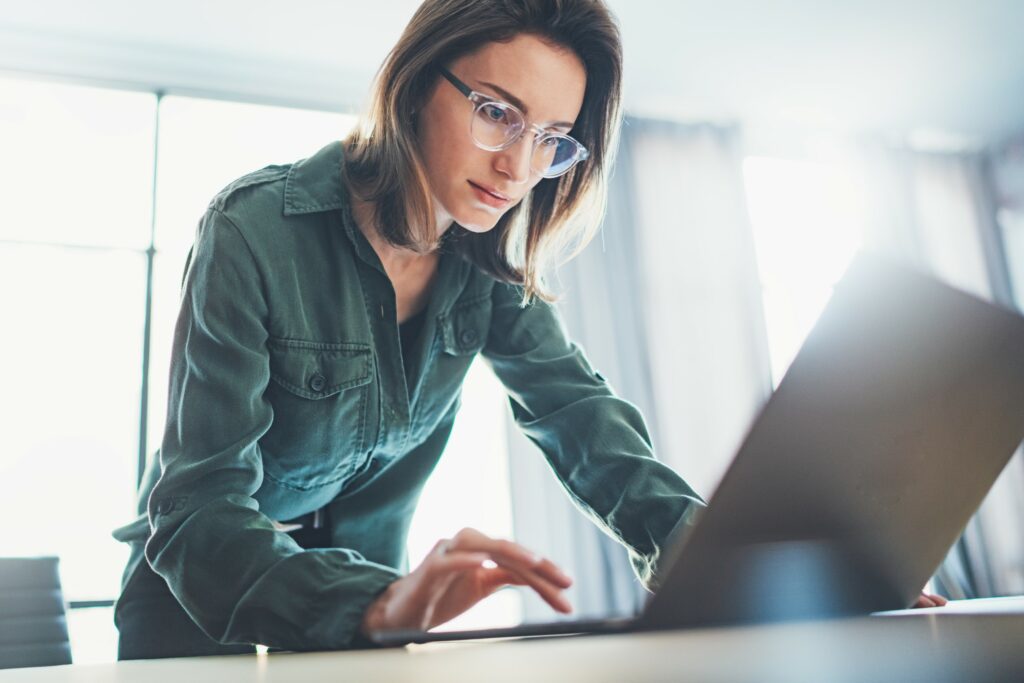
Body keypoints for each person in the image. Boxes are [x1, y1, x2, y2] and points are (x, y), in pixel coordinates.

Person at [111, 0, 943, 660]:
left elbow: (585, 422)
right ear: (413, 82)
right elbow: (195, 505)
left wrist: (760, 565)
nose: (517, 166)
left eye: (550, 139)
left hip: (367, 609)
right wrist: (368, 604)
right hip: (195, 605)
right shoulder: (254, 230)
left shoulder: (487, 274)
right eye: (497, 113)